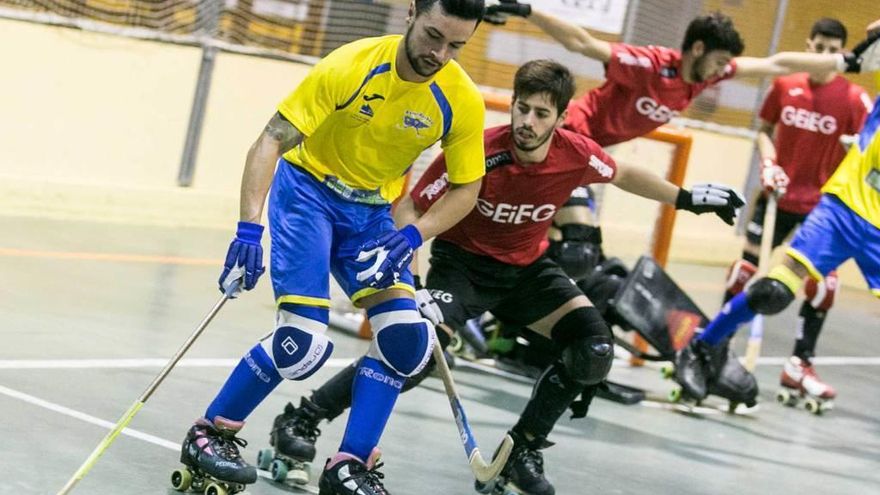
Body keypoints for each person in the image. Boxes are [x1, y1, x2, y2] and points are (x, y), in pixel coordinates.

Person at [268, 59, 744, 495]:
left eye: (541, 114)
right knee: (413, 353)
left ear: (560, 119)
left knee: (594, 348)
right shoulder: (480, 152)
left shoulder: (575, 153)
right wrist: (411, 281)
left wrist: (686, 198)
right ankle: (305, 418)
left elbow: (621, 174)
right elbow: (413, 204)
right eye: (522, 108)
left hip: (527, 271)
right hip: (464, 267)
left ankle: (522, 452)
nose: (527, 122)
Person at [175, 1, 488, 494]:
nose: (440, 54)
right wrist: (248, 229)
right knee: (303, 344)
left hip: (371, 218)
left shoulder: (459, 98)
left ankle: (349, 466)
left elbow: (467, 188)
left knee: (408, 343)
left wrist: (411, 236)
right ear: (411, 13)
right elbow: (271, 140)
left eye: (456, 46)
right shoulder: (351, 65)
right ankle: (210, 433)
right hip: (308, 195)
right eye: (433, 36)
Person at [674, 18, 880, 405]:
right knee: (771, 290)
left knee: (824, 290)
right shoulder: (798, 88)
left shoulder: (853, 100)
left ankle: (801, 362)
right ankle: (705, 346)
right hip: (839, 209)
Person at [484, 2, 880, 147]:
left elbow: (777, 64)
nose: (727, 70)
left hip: (595, 152)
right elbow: (584, 45)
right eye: (722, 60)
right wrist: (526, 11)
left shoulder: (709, 75)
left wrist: (846, 62)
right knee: (576, 249)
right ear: (697, 50)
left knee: (574, 252)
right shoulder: (652, 64)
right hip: (571, 137)